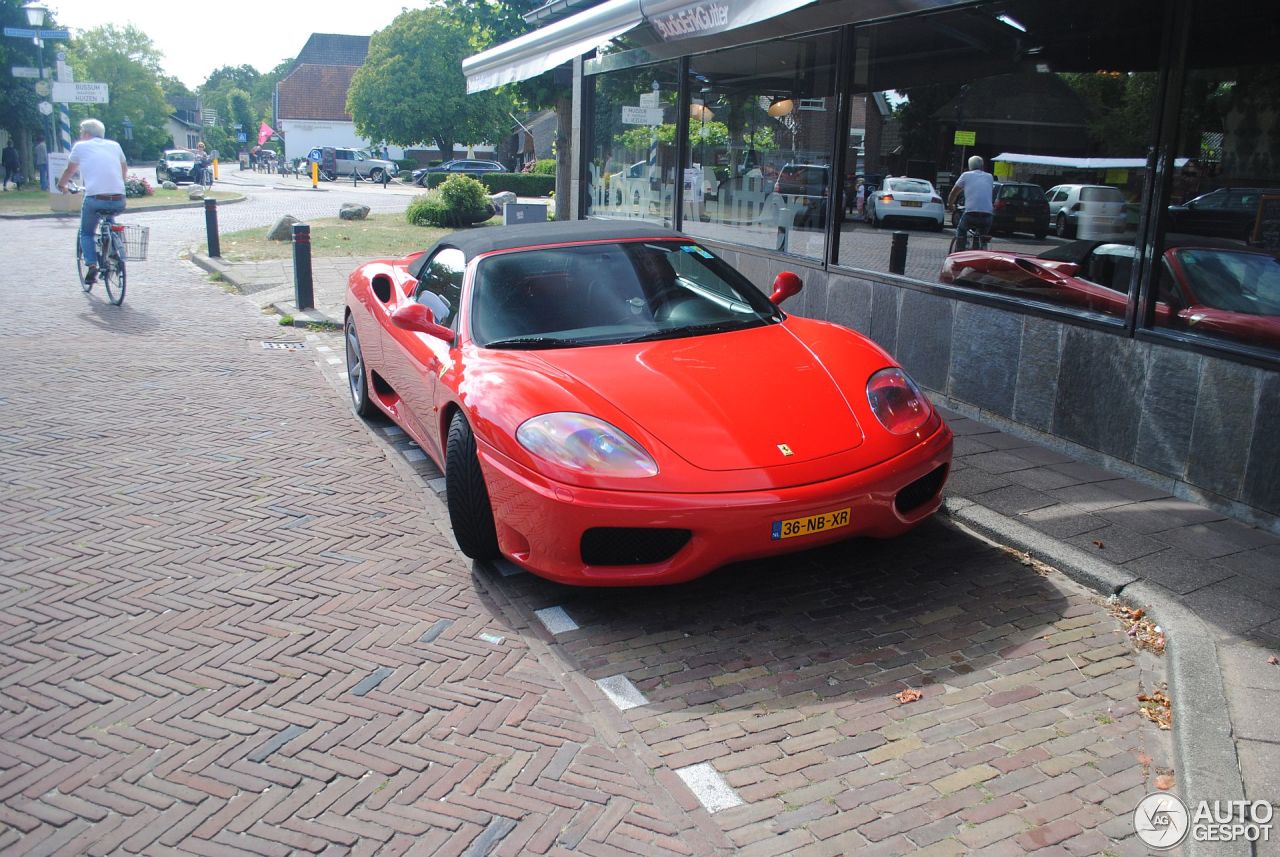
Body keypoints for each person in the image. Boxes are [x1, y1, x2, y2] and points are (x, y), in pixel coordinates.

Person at [56, 118, 127, 286]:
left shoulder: (80, 147)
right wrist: (120, 184)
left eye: (81, 133)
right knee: (109, 221)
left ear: (86, 134)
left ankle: (92, 264)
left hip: (95, 198)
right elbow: (124, 167)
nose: (80, 136)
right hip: (118, 198)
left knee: (86, 233)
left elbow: (70, 170)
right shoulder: (115, 146)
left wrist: (61, 184)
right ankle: (113, 249)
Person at [947, 155, 994, 250]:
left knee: (961, 230)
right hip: (988, 215)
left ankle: (959, 253)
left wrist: (950, 204)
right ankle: (981, 249)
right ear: (982, 166)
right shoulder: (990, 177)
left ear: (970, 166)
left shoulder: (966, 175)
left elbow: (954, 192)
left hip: (971, 214)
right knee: (981, 234)